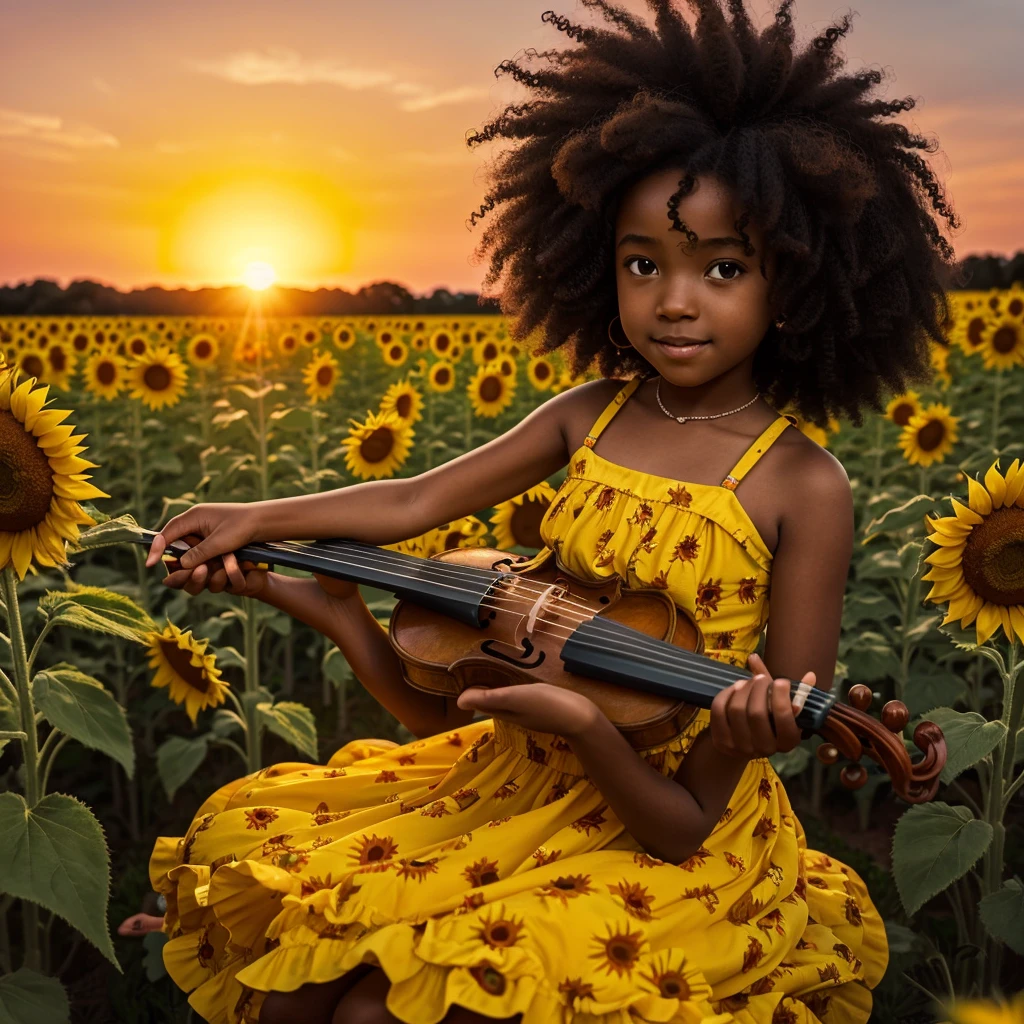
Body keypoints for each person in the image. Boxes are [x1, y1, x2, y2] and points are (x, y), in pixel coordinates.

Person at [142, 1, 959, 1021]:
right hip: (503, 787)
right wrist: (265, 528)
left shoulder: (801, 485)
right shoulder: (588, 413)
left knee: (370, 1008)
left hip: (660, 837)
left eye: (722, 266)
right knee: (296, 984)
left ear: (793, 280)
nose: (674, 299)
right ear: (592, 262)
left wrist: (590, 724)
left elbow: (683, 823)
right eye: (640, 261)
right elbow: (417, 512)